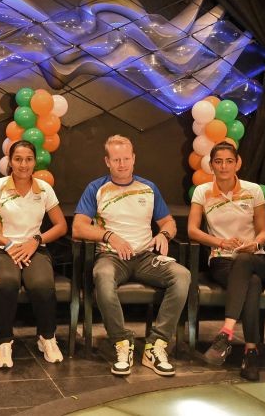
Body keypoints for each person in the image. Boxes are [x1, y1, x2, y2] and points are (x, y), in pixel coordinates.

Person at [72, 134, 190, 377]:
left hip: (146, 256)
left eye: (126, 158)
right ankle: (121, 343)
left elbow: (168, 222)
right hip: (112, 256)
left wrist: (164, 235)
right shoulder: (97, 188)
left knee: (182, 275)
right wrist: (109, 236)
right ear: (107, 161)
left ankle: (156, 346)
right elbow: (78, 227)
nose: (122, 164)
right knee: (102, 277)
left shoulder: (148, 188)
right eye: (116, 159)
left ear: (134, 159)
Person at [0, 140, 67, 368]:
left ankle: (47, 338)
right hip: (1, 249)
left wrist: (37, 240)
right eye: (18, 159)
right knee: (8, 282)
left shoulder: (44, 189)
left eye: (28, 159)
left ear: (35, 162)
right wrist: (7, 243)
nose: (23, 164)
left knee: (42, 284)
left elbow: (61, 226)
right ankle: (3, 342)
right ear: (10, 162)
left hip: (33, 249)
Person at [187, 142, 265, 380]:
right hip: (222, 260)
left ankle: (227, 331)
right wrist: (219, 242)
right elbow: (192, 230)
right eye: (218, 161)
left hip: (255, 258)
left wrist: (256, 244)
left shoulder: (254, 190)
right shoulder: (202, 191)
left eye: (229, 161)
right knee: (252, 284)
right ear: (211, 165)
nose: (224, 166)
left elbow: (263, 231)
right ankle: (251, 352)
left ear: (237, 163)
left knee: (245, 260)